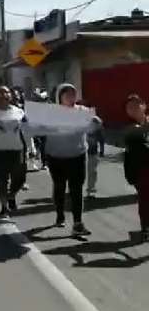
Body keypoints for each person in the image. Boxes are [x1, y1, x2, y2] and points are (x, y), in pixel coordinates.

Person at [42, 84, 100, 236]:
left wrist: (96, 123)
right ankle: (60, 215)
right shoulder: (50, 112)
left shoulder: (83, 111)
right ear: (59, 97)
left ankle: (77, 223)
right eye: (67, 94)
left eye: (73, 94)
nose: (70, 97)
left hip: (77, 155)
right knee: (59, 187)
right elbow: (36, 126)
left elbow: (92, 128)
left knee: (77, 189)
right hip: (56, 156)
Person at [0, 86, 34, 219]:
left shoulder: (19, 112)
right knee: (2, 180)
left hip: (17, 150)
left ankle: (11, 195)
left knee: (20, 178)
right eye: (1, 92)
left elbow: (26, 131)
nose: (5, 95)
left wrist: (31, 148)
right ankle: (4, 207)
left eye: (7, 92)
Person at [124, 94, 149, 241]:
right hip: (141, 170)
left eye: (136, 105)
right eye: (129, 107)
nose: (133, 109)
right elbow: (129, 155)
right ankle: (145, 228)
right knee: (144, 200)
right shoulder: (129, 129)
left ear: (144, 105)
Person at [85, 106, 106, 198]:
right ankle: (73, 188)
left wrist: (102, 151)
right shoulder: (81, 123)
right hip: (81, 152)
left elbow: (101, 139)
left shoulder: (97, 123)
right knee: (79, 172)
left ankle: (91, 188)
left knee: (92, 171)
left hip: (93, 152)